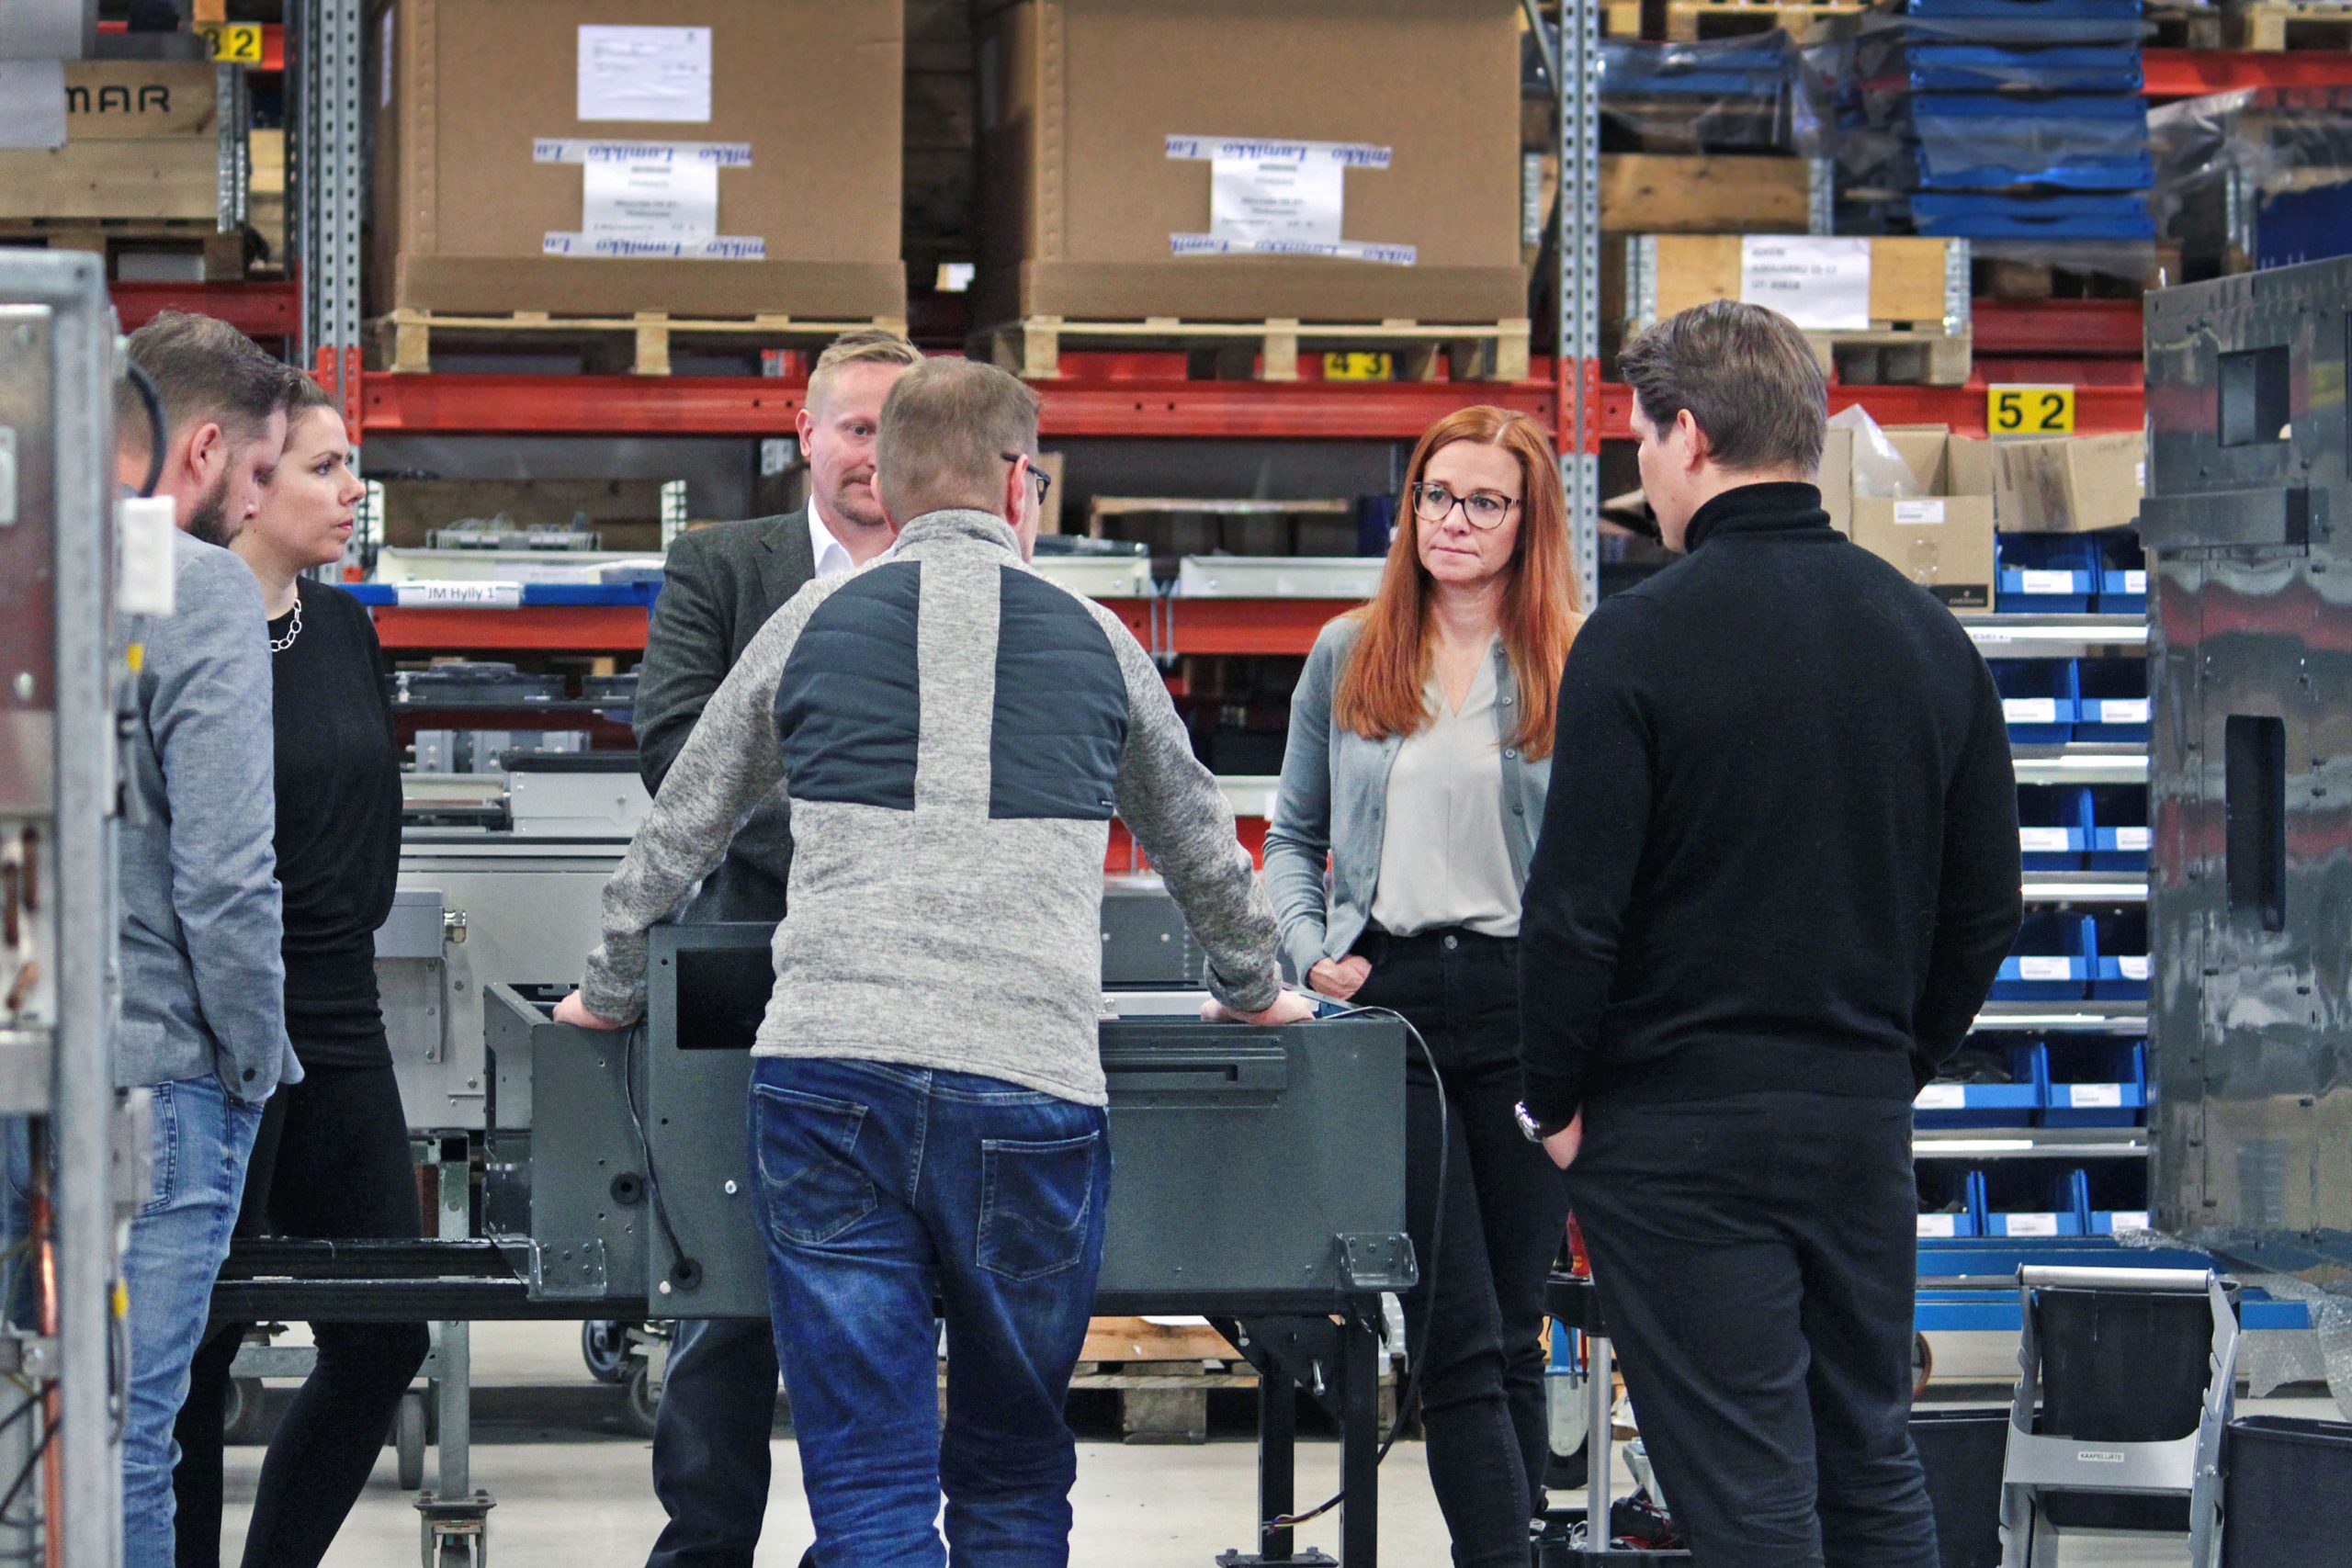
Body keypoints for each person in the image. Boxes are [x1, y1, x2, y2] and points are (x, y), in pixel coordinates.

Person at [554, 357, 1315, 1565]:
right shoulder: (1096, 638)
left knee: (869, 1480)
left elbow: (678, 829)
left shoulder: (813, 622)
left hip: (830, 1084)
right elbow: (1203, 849)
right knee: (1012, 1471)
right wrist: (1252, 987)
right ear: (1019, 483)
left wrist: (606, 991)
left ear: (894, 483)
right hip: (1026, 1085)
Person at [1516, 301, 2023, 1568]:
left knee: (1747, 1495)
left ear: (1688, 435)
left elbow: (1574, 911)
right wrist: (1891, 1063)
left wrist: (1553, 1100)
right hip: (1854, 1123)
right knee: (1870, 1462)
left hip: (1675, 1131)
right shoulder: (1928, 637)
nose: (1644, 464)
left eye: (1643, 438)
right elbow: (1985, 906)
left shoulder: (1636, 640)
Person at [1264, 404, 1581, 1567]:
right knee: (1453, 1332)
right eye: (1436, 496)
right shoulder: (1350, 652)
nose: (1454, 520)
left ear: (1527, 521)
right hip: (1389, 1009)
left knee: (1512, 1327)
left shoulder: (1574, 660)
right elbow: (1290, 837)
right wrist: (1305, 949)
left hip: (1524, 1003)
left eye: (1485, 501)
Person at [628, 326, 921, 1568]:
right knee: (725, 1287)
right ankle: (706, 1544)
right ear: (805, 433)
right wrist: (858, 837)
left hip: (912, 970)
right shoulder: (722, 565)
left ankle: (870, 1543)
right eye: (855, 428)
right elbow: (675, 748)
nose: (874, 457)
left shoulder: (968, 574)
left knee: (897, 1280)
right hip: (747, 955)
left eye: (899, 433)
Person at [170, 377, 429, 1568]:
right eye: (326, 466)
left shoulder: (344, 628)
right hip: (222, 1016)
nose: (352, 489)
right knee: (195, 1345)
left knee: (384, 1334)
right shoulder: (184, 626)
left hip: (340, 1011)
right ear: (251, 477)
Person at [112, 312, 301, 1564]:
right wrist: (251, 1059)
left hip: (27, 1058)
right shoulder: (200, 586)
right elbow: (227, 876)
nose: (258, 501)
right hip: (156, 1078)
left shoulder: (28, 565)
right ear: (205, 449)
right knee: (123, 1434)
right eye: (263, 469)